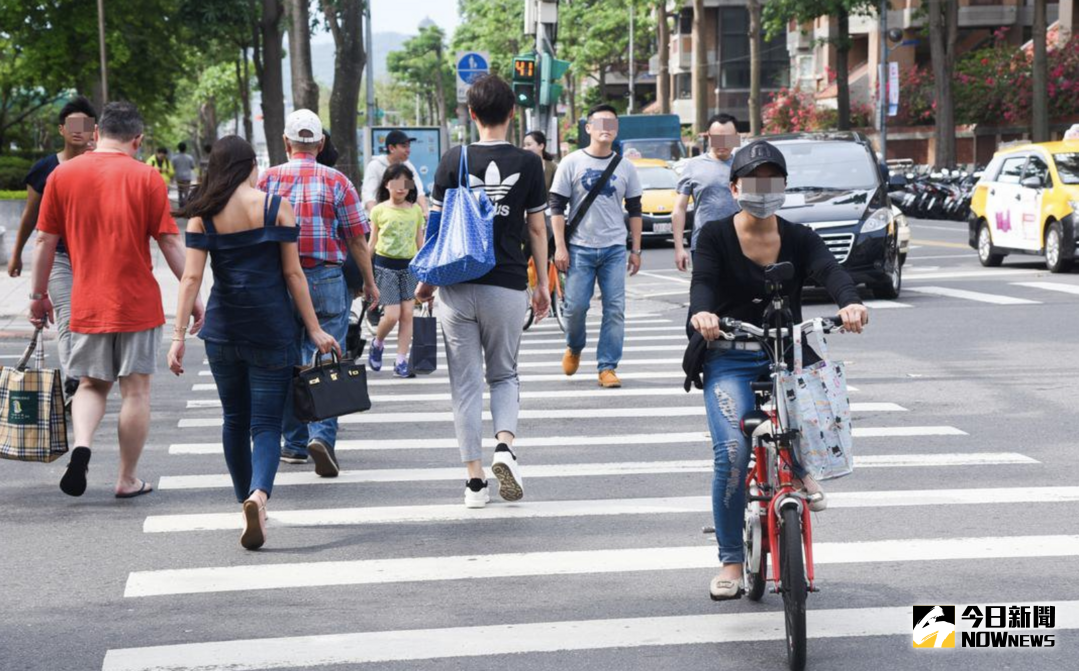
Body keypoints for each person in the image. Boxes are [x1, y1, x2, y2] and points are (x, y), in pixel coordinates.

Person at [688, 139, 869, 600]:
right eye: (753, 182)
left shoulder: (800, 237)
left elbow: (831, 271)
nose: (763, 190)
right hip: (729, 354)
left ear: (784, 188)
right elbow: (702, 284)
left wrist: (850, 303)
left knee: (813, 416)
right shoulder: (714, 236)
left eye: (772, 182)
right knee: (732, 452)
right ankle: (731, 561)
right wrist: (703, 315)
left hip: (788, 353)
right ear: (734, 188)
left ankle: (802, 469)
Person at [168, 135, 340, 550]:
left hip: (223, 330)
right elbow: (293, 275)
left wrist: (177, 336)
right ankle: (259, 497)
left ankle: (245, 500)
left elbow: (191, 278)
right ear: (250, 166)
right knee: (265, 424)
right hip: (271, 328)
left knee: (234, 420)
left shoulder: (202, 215)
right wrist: (314, 329)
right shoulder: (275, 207)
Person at [29, 101, 205, 499]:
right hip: (136, 303)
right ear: (138, 140)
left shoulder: (62, 175)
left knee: (91, 385)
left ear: (96, 133)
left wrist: (38, 296)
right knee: (135, 392)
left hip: (87, 300)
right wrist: (191, 294)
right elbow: (169, 243)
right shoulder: (147, 177)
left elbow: (44, 241)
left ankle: (82, 446)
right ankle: (126, 479)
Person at [415, 74, 549, 509]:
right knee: (504, 374)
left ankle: (475, 483)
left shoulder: (453, 159)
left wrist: (426, 281)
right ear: (512, 112)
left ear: (471, 113)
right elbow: (537, 228)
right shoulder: (529, 163)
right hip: (506, 283)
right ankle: (504, 446)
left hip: (456, 284)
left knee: (466, 385)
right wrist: (542, 284)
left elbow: (436, 229)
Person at [258, 108, 378, 476]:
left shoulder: (267, 180)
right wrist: (370, 282)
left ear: (286, 142)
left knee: (287, 361)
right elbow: (357, 240)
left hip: (280, 281)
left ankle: (294, 443)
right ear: (321, 143)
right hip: (326, 279)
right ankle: (322, 436)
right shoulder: (337, 181)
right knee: (326, 356)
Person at [9, 96, 97, 404]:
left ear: (94, 130)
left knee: (93, 321)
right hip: (59, 257)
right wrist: (17, 253)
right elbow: (30, 216)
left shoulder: (102, 167)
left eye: (85, 125)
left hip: (96, 257)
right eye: (72, 125)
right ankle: (74, 383)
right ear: (61, 130)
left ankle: (87, 378)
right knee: (69, 317)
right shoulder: (44, 170)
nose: (78, 130)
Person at [549, 104, 644, 389]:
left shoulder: (626, 167)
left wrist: (636, 250)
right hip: (579, 248)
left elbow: (635, 209)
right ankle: (574, 345)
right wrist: (560, 247)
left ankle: (607, 367)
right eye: (600, 123)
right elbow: (556, 206)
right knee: (575, 308)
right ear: (588, 128)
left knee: (614, 309)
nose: (606, 128)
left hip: (614, 248)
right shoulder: (571, 162)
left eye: (612, 123)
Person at [367, 164, 425, 377]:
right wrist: (365, 275)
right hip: (385, 268)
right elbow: (372, 243)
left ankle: (401, 361)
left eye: (406, 183)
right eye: (396, 183)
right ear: (386, 184)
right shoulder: (379, 210)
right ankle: (378, 343)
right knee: (392, 315)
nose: (401, 188)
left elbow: (420, 243)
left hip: (409, 269)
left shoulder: (416, 210)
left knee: (407, 314)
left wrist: (426, 274)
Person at [673, 113, 742, 272]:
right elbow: (679, 209)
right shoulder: (694, 166)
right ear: (708, 137)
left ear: (736, 138)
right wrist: (679, 248)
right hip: (704, 245)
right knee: (705, 288)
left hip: (740, 244)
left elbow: (758, 203)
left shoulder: (744, 166)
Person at [362, 130, 429, 217]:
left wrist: (425, 211)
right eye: (404, 146)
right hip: (381, 217)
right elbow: (369, 194)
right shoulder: (376, 166)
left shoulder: (408, 166)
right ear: (391, 148)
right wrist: (376, 218)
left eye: (409, 146)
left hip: (401, 217)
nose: (408, 150)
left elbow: (418, 189)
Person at [172, 141, 197, 207]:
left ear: (178, 148)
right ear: (185, 148)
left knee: (180, 192)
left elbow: (173, 167)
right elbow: (192, 166)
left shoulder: (175, 158)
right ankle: (186, 206)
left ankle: (180, 206)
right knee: (186, 192)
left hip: (179, 177)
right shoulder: (189, 157)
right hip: (187, 177)